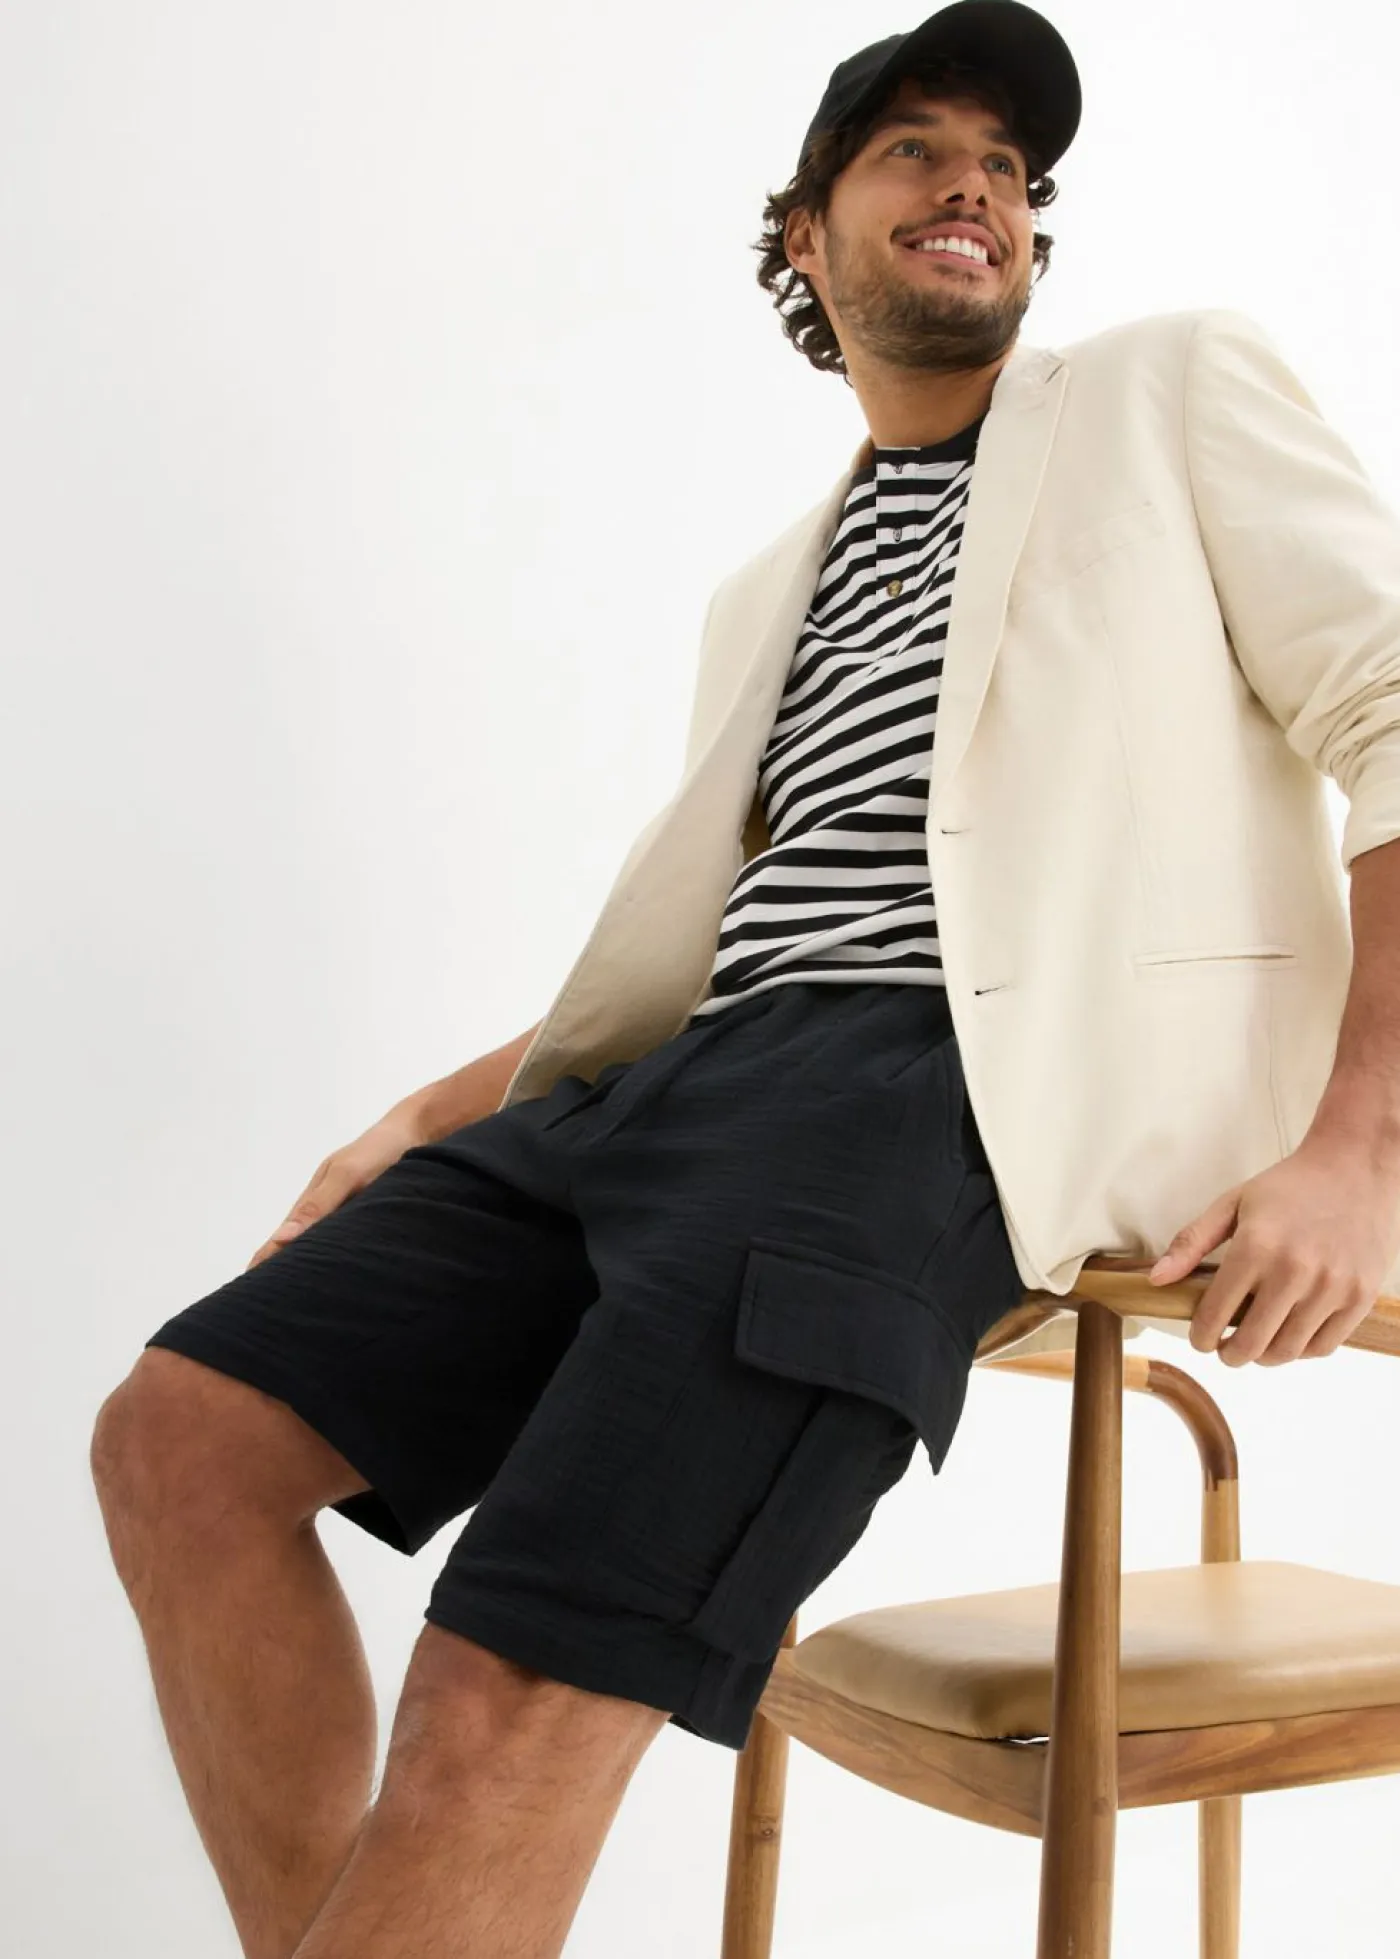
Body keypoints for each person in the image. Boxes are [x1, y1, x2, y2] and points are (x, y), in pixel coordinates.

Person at [89, 2, 1400, 1955]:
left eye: (1009, 167)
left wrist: (1358, 1150)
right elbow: (717, 948)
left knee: (511, 1676)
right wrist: (418, 1117)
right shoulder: (768, 588)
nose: (975, 184)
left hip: (933, 1099)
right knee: (183, 1437)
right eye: (914, 147)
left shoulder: (1164, 393)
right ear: (804, 233)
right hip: (681, 1090)